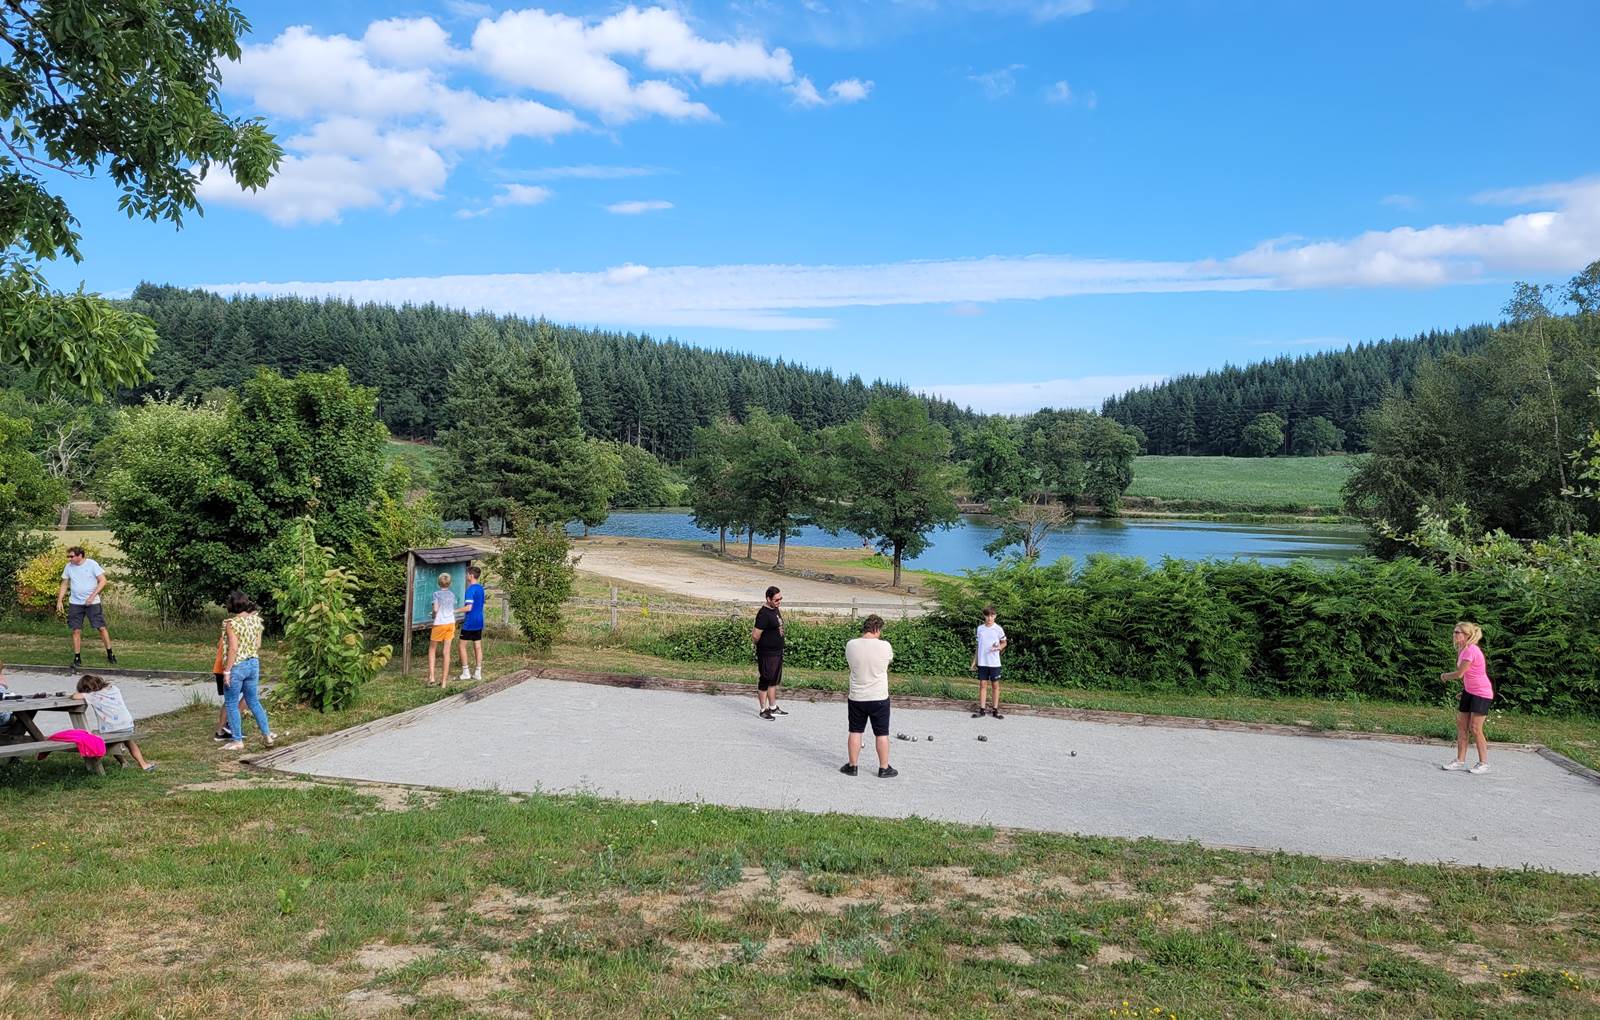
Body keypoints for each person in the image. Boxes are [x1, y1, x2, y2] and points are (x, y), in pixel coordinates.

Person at [840, 614, 897, 778]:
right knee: (882, 733)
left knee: (855, 731)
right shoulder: (885, 646)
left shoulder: (851, 645)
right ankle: (884, 767)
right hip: (879, 696)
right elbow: (888, 663)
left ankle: (853, 766)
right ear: (877, 629)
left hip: (857, 696)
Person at [219, 591, 274, 752]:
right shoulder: (256, 621)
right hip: (253, 663)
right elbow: (257, 645)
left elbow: (233, 648)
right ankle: (267, 735)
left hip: (237, 666)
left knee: (231, 703)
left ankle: (237, 740)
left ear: (231, 605)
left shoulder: (231, 623)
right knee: (253, 700)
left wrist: (227, 671)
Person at [1441, 621, 1494, 774]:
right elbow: (1471, 674)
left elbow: (1459, 674)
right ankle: (1459, 760)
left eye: (1458, 632)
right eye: (1454, 632)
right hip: (1469, 692)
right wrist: (1465, 691)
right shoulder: (1461, 649)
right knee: (1462, 726)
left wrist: (1444, 676)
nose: (1454, 634)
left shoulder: (1471, 650)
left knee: (1476, 728)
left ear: (1467, 635)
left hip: (1482, 693)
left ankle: (1484, 763)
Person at [73, 673, 156, 771]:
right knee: (129, 742)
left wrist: (82, 693)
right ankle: (143, 764)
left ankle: (122, 762)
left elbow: (75, 696)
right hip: (127, 725)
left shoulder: (92, 696)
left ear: (86, 689)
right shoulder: (114, 689)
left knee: (108, 742)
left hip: (111, 729)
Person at [56, 545, 116, 669]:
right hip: (75, 603)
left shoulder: (92, 564)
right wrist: (60, 600)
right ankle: (77, 657)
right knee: (76, 629)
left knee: (101, 627)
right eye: (68, 556)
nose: (69, 559)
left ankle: (110, 653)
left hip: (92, 603)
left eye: (71, 556)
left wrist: (92, 596)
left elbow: (103, 581)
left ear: (80, 556)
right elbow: (64, 583)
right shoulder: (69, 567)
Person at [751, 585, 786, 720]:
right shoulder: (763, 614)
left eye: (780, 599)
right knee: (765, 679)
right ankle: (763, 710)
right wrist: (760, 647)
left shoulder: (775, 609)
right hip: (767, 653)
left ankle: (773, 707)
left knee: (773, 680)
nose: (779, 602)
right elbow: (755, 635)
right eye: (776, 600)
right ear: (768, 599)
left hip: (777, 652)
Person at [971, 605, 1009, 720]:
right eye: (987, 615)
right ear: (984, 616)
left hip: (994, 663)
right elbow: (978, 646)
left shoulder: (998, 629)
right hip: (982, 662)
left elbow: (1004, 643)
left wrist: (998, 648)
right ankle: (982, 710)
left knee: (995, 685)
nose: (989, 618)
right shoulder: (980, 629)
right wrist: (974, 661)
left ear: (995, 616)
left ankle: (995, 710)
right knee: (982, 685)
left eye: (992, 615)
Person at [457, 565, 486, 683]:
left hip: (470, 622)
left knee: (461, 646)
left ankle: (466, 672)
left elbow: (468, 608)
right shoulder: (480, 588)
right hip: (479, 620)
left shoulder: (470, 589)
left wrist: (455, 610)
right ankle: (478, 672)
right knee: (477, 646)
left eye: (467, 574)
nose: (466, 576)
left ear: (471, 575)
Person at [430, 572, 456, 689]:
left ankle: (432, 677)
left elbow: (435, 609)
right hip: (450, 623)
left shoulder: (436, 594)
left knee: (432, 649)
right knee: (447, 652)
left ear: (438, 582)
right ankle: (444, 682)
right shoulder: (452, 595)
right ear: (450, 583)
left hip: (439, 623)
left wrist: (433, 614)